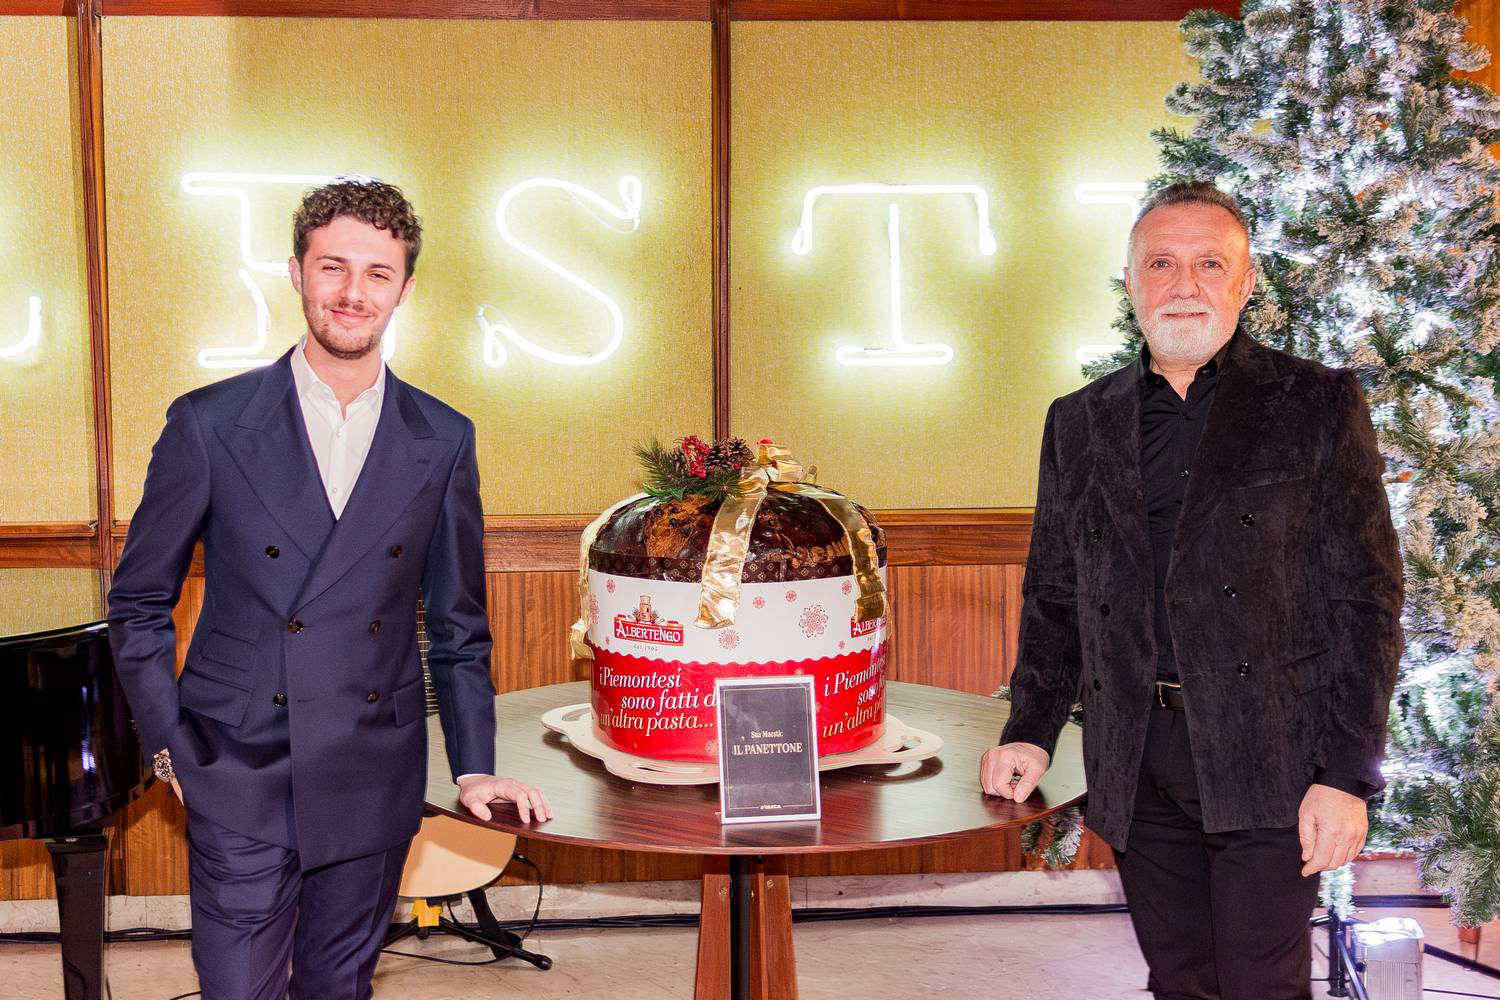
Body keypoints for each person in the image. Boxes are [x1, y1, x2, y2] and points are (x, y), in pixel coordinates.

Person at [108, 178, 552, 1000]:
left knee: (337, 988)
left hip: (371, 765)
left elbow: (458, 626)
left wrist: (473, 768)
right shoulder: (209, 422)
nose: (353, 292)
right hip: (235, 757)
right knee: (237, 989)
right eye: (332, 267)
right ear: (297, 273)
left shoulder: (443, 436)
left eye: (377, 273)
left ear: (404, 289)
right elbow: (137, 603)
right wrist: (169, 744)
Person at [979, 181, 1402, 999]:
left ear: (1245, 283)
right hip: (1136, 754)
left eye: (1210, 264)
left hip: (1271, 753)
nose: (1184, 285)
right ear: (1130, 283)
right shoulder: (1079, 419)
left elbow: (1367, 601)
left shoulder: (1316, 403)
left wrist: (1347, 775)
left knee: (1260, 985)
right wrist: (1030, 728)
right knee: (1178, 979)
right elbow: (1057, 594)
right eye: (1161, 264)